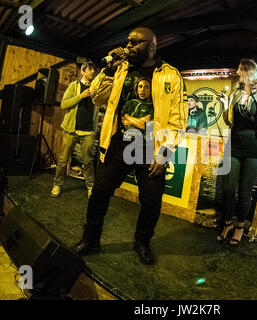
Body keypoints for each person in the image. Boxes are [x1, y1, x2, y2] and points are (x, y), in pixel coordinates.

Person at [72, 27, 187, 265]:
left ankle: (142, 242)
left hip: (151, 148)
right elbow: (96, 97)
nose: (128, 46)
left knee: (152, 202)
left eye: (134, 43)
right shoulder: (121, 68)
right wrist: (108, 70)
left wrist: (165, 151)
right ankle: (90, 239)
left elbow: (178, 120)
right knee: (99, 193)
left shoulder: (171, 76)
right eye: (128, 41)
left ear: (152, 47)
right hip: (118, 143)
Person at [216, 58, 257, 246]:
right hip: (234, 145)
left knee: (245, 192)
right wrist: (223, 104)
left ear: (248, 73)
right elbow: (229, 122)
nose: (237, 74)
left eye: (239, 71)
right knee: (228, 189)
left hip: (254, 147)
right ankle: (227, 223)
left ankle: (240, 227)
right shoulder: (235, 94)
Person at [51, 61, 97, 199]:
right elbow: (64, 104)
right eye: (89, 70)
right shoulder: (74, 86)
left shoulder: (95, 88)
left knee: (88, 161)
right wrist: (80, 96)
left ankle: (90, 186)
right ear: (83, 72)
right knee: (63, 160)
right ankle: (57, 184)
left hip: (88, 131)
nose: (92, 72)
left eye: (93, 70)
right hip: (71, 129)